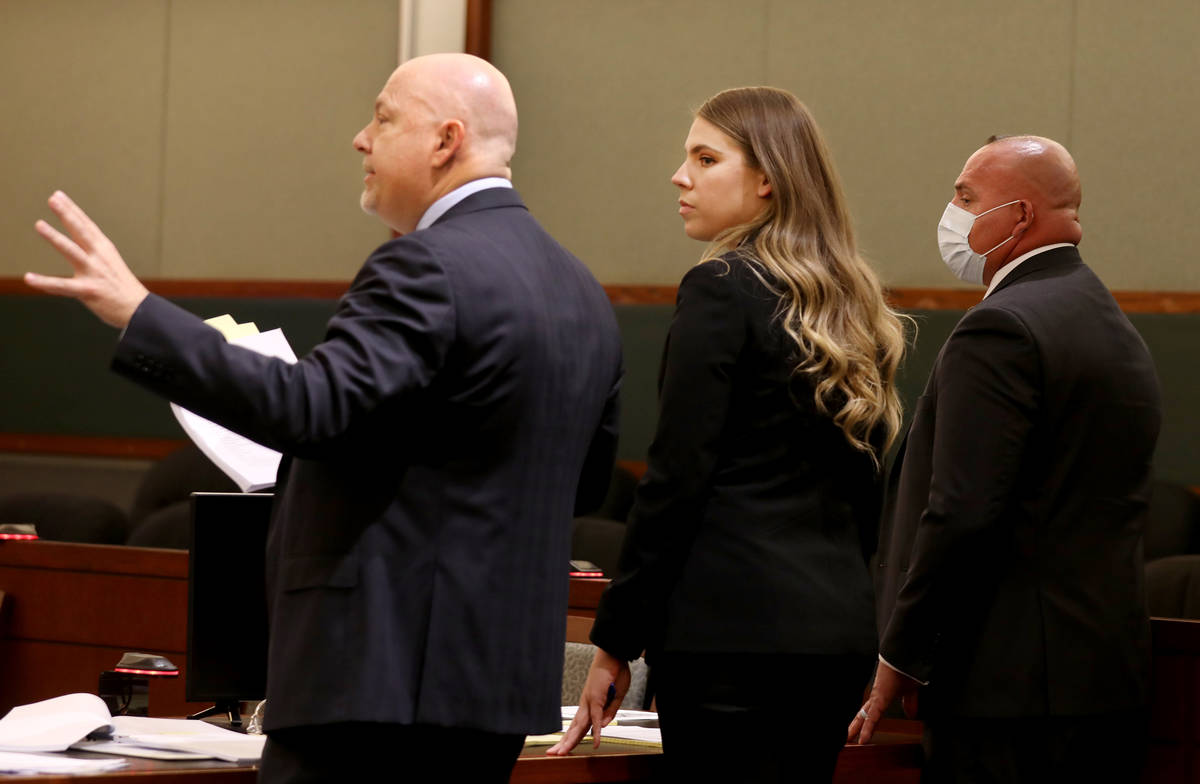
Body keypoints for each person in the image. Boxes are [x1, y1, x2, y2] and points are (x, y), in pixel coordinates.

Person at [26, 53, 623, 783]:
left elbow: (312, 407)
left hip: (377, 681)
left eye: (383, 116)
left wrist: (139, 313)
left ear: (445, 141)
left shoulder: (424, 265)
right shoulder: (583, 294)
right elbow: (584, 481)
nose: (359, 138)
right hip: (493, 690)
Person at [548, 87, 909, 782]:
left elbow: (677, 480)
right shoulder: (854, 302)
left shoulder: (720, 286)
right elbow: (866, 500)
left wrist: (616, 641)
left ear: (768, 178)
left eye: (705, 158)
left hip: (731, 641)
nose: (680, 176)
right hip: (833, 637)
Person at [850, 136, 1161, 783]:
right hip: (1105, 682)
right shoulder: (1114, 325)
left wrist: (901, 654)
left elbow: (961, 512)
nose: (952, 213)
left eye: (965, 198)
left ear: (1019, 217)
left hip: (1006, 691)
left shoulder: (1002, 328)